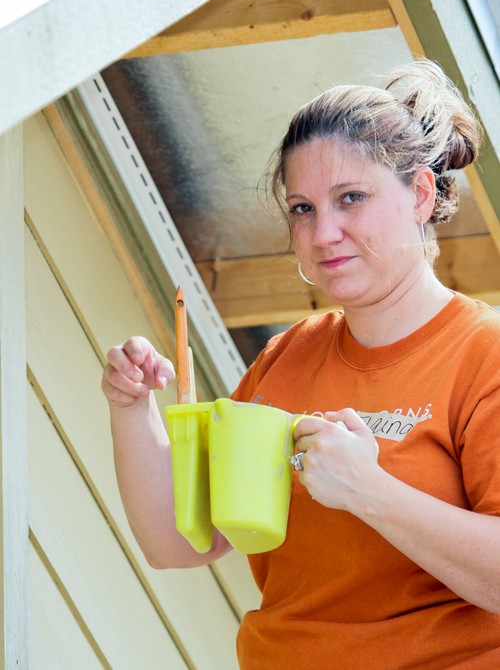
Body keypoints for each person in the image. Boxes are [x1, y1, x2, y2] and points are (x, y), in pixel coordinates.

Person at [102, 58, 500, 669]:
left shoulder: (484, 352)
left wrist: (370, 491)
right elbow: (180, 540)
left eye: (351, 199)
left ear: (420, 194)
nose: (324, 233)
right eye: (303, 208)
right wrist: (132, 407)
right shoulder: (286, 357)